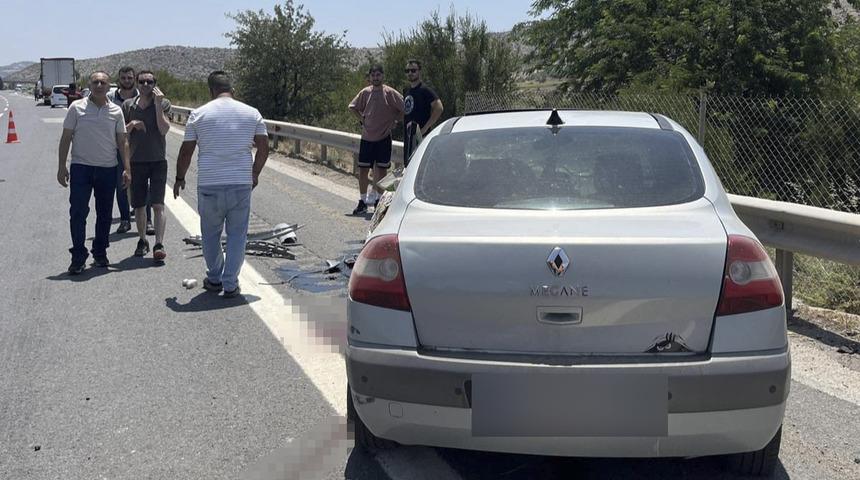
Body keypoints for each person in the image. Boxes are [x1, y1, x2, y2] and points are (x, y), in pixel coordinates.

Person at [173, 71, 269, 298]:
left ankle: (214, 277)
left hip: (210, 183)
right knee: (237, 235)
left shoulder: (198, 114)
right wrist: (254, 174)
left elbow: (186, 151)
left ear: (210, 91)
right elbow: (264, 148)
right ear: (232, 90)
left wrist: (179, 178)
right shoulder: (251, 113)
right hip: (240, 183)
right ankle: (230, 282)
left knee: (210, 234)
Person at [57, 71, 131, 274]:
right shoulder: (76, 108)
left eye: (103, 82)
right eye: (95, 82)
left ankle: (100, 252)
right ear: (89, 85)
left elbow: (122, 141)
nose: (99, 85)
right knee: (78, 213)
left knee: (105, 214)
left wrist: (127, 169)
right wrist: (61, 166)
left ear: (109, 87)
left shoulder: (116, 111)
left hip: (108, 169)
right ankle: (78, 257)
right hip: (81, 168)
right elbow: (66, 138)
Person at [122, 70, 172, 261]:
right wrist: (132, 125)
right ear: (136, 83)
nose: (145, 85)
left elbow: (164, 129)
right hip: (136, 161)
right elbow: (122, 137)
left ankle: (159, 243)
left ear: (155, 84)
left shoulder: (163, 103)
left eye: (149, 82)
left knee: (158, 204)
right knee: (139, 205)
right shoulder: (128, 106)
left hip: (158, 160)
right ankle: (142, 240)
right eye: (141, 81)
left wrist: (158, 106)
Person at [348, 64, 404, 215]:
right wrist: (362, 120)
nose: (375, 78)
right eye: (373, 75)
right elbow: (352, 107)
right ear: (370, 77)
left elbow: (405, 108)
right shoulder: (365, 93)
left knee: (382, 170)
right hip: (367, 138)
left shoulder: (390, 93)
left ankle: (380, 201)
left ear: (382, 76)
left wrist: (395, 121)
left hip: (384, 138)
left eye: (378, 75)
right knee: (363, 170)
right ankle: (362, 201)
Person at [108, 66, 138, 234]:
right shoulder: (110, 98)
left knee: (141, 184)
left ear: (134, 79)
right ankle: (125, 219)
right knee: (121, 184)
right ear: (119, 79)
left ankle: (146, 220)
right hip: (118, 147)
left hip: (139, 148)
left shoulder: (141, 97)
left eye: (129, 78)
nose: (127, 81)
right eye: (124, 78)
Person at [403, 59, 443, 166]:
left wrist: (425, 128)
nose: (410, 73)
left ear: (419, 71)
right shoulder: (406, 90)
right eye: (407, 71)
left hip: (421, 137)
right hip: (408, 137)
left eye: (413, 70)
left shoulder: (425, 90)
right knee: (409, 166)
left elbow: (439, 107)